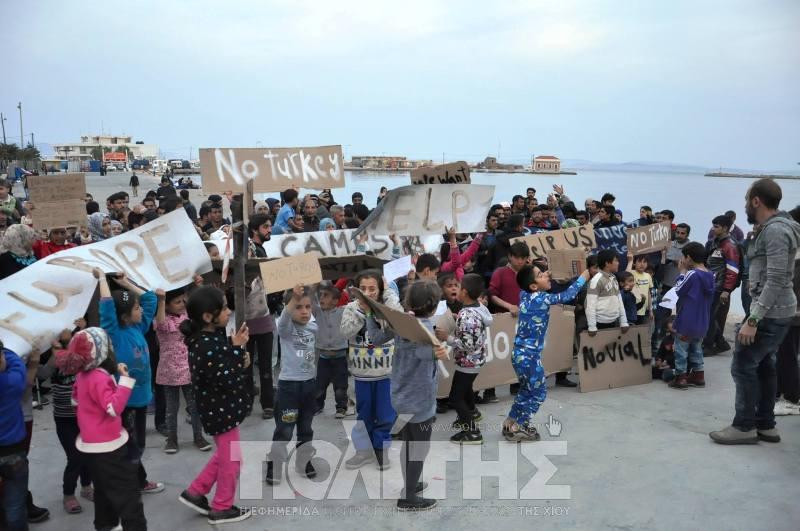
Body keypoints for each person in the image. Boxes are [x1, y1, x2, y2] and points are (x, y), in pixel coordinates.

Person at [710, 179, 800, 445]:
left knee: (743, 365)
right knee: (764, 365)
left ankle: (744, 426)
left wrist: (753, 319)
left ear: (756, 201)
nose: (745, 206)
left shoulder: (776, 231)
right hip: (777, 309)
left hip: (770, 312)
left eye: (746, 200)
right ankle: (765, 424)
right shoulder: (774, 228)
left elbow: (776, 279)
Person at [365, 280, 449, 511]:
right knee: (418, 448)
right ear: (434, 306)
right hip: (419, 401)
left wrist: (370, 314)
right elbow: (422, 352)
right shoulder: (423, 329)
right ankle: (409, 497)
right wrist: (438, 349)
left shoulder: (401, 323)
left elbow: (376, 338)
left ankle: (410, 484)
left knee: (410, 444)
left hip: (401, 395)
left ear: (408, 303)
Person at [54, 327, 147, 530]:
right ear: (102, 352)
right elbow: (113, 408)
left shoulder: (82, 376)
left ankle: (106, 526)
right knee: (128, 496)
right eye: (109, 346)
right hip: (109, 447)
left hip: (91, 445)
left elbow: (75, 401)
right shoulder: (98, 377)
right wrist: (124, 381)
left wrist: (89, 420)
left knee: (103, 492)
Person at [178, 286, 253, 525]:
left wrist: (234, 344)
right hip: (220, 411)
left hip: (220, 409)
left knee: (224, 454)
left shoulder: (207, 338)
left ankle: (195, 492)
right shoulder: (204, 346)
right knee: (233, 460)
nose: (229, 312)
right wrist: (238, 355)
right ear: (208, 316)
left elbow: (220, 354)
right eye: (224, 308)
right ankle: (222, 507)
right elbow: (226, 377)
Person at [95, 269, 164, 494]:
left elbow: (150, 299)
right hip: (126, 402)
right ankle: (131, 483)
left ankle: (136, 480)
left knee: (137, 443)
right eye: (136, 308)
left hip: (142, 398)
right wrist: (102, 279)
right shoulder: (113, 333)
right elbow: (107, 306)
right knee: (130, 444)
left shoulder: (138, 326)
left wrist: (126, 283)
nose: (141, 310)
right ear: (124, 316)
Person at [504, 264, 591, 442]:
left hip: (519, 355)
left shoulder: (524, 295)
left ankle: (510, 421)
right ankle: (519, 426)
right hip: (530, 358)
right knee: (539, 393)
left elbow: (530, 285)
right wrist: (583, 276)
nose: (546, 275)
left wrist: (545, 277)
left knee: (526, 390)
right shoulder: (542, 298)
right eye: (540, 274)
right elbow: (567, 296)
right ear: (533, 286)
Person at [340, 270, 401, 470]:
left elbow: (399, 317)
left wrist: (388, 292)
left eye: (372, 288)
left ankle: (381, 448)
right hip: (362, 375)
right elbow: (345, 332)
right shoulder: (351, 308)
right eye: (363, 289)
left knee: (385, 414)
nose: (367, 293)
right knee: (363, 414)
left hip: (386, 373)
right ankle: (363, 451)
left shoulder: (387, 306)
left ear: (380, 289)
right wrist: (362, 312)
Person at [266, 284, 319, 485]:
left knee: (306, 428)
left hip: (309, 386)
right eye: (298, 307)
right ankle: (275, 464)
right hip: (289, 388)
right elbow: (283, 320)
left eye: (307, 307)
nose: (304, 311)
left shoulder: (313, 327)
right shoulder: (286, 329)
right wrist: (293, 299)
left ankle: (303, 462)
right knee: (285, 430)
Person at [436, 274, 493, 445]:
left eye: (459, 287)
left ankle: (472, 432)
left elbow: (468, 345)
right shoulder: (478, 308)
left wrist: (447, 338)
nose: (456, 289)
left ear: (465, 292)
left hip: (468, 362)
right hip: (475, 360)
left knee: (455, 398)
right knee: (466, 388)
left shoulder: (467, 315)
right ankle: (472, 413)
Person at [154, 288, 211, 454]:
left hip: (189, 369)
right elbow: (161, 322)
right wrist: (161, 300)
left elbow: (198, 307)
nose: (181, 304)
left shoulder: (187, 317)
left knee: (195, 407)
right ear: (167, 305)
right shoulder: (162, 320)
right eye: (177, 302)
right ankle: (172, 439)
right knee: (171, 409)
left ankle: (198, 437)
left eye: (183, 301)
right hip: (169, 372)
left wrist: (198, 286)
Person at [668, 242, 715, 390]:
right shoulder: (710, 275)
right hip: (702, 320)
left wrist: (681, 272)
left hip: (687, 320)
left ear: (688, 258)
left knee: (681, 350)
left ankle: (680, 377)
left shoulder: (692, 274)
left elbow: (679, 289)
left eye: (683, 257)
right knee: (697, 348)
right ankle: (698, 375)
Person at [1, 343, 34, 531]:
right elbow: (17, 364)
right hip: (13, 451)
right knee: (15, 506)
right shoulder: (11, 383)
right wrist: (6, 347)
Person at [774, 205, 800, 415]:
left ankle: (791, 395)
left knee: (787, 354)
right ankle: (783, 391)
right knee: (785, 353)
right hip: (788, 311)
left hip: (792, 313)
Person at [703, 215, 741, 355]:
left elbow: (733, 270)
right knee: (710, 316)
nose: (713, 229)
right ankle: (721, 342)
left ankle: (709, 346)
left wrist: (726, 290)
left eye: (716, 226)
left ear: (725, 228)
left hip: (719, 287)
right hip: (711, 284)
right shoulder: (715, 242)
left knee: (711, 316)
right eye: (713, 225)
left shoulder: (730, 245)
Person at [313, 284, 349, 418]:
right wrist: (312, 287)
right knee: (319, 385)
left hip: (340, 357)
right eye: (321, 295)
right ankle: (317, 406)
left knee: (341, 386)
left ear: (335, 301)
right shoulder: (317, 312)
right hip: (323, 358)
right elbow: (311, 299)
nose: (321, 298)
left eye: (326, 296)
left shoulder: (342, 312)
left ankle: (341, 407)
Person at [586, 249, 629, 335]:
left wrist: (624, 321)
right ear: (607, 263)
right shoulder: (596, 280)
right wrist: (592, 326)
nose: (618, 263)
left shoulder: (614, 278)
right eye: (616, 261)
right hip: (600, 324)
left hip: (614, 321)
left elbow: (619, 301)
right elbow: (590, 305)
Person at [626, 253, 654, 324]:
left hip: (643, 311)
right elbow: (625, 276)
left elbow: (649, 293)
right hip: (631, 310)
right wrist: (630, 261)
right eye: (639, 261)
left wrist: (650, 310)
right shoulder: (631, 273)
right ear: (634, 263)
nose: (642, 264)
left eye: (644, 262)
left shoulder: (648, 276)